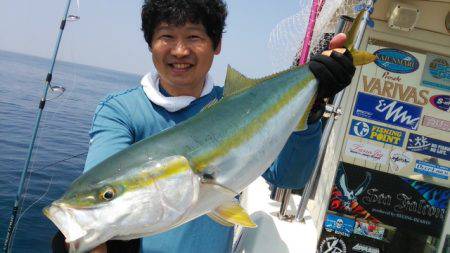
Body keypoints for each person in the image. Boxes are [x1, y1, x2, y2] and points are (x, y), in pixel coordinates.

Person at [52, 0, 355, 252]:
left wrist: (314, 105)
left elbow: (288, 177)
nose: (180, 51)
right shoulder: (120, 111)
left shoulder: (240, 105)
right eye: (166, 36)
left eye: (194, 37)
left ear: (216, 44)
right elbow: (105, 177)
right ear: (150, 43)